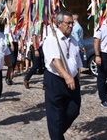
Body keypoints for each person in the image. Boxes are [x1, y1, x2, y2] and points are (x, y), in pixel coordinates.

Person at [43, 11, 82, 140]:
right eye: (68, 23)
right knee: (55, 114)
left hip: (72, 80)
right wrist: (67, 76)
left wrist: (77, 73)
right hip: (56, 80)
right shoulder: (52, 39)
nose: (71, 25)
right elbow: (55, 61)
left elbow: (77, 58)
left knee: (73, 110)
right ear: (59, 23)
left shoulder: (73, 40)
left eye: (72, 23)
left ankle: (57, 133)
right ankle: (57, 136)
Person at [94, 19, 107, 108]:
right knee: (102, 76)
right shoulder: (100, 26)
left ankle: (103, 91)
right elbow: (96, 41)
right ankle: (103, 99)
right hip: (104, 54)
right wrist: (97, 55)